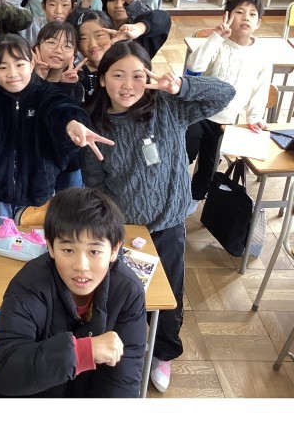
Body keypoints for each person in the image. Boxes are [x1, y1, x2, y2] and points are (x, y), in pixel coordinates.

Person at [81, 40, 235, 393]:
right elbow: (95, 185)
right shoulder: (96, 125)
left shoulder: (168, 107)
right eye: (117, 75)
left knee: (170, 294)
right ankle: (116, 348)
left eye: (138, 75)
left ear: (149, 77)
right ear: (102, 79)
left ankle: (163, 351)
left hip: (169, 225)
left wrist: (182, 86)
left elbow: (225, 94)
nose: (128, 85)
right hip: (126, 231)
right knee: (120, 294)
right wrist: (114, 229)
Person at [0, 187, 147, 397]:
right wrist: (82, 353)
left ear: (114, 250)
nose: (81, 265)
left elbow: (122, 384)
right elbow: (5, 371)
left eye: (94, 251)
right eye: (68, 250)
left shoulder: (128, 291)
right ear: (50, 247)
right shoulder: (29, 284)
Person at [0, 34, 114, 226]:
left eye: (19, 65)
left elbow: (58, 107)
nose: (12, 74)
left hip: (40, 193)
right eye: (3, 67)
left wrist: (72, 123)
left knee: (38, 243)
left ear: (32, 62)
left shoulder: (45, 91)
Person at [185, 0, 270, 211]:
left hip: (226, 122)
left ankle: (192, 200)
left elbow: (259, 91)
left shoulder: (261, 57)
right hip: (198, 113)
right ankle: (173, 188)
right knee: (184, 152)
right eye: (239, 12)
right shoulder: (219, 44)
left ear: (258, 23)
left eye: (252, 14)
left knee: (209, 165)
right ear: (228, 16)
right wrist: (215, 37)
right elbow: (194, 66)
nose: (246, 18)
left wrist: (254, 117)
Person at [33, 22, 85, 189]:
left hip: (67, 164)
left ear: (74, 55)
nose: (58, 50)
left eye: (67, 46)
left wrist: (66, 87)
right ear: (37, 47)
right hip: (35, 164)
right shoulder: (22, 80)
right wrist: (37, 81)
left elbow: (64, 125)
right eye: (51, 42)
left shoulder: (76, 86)